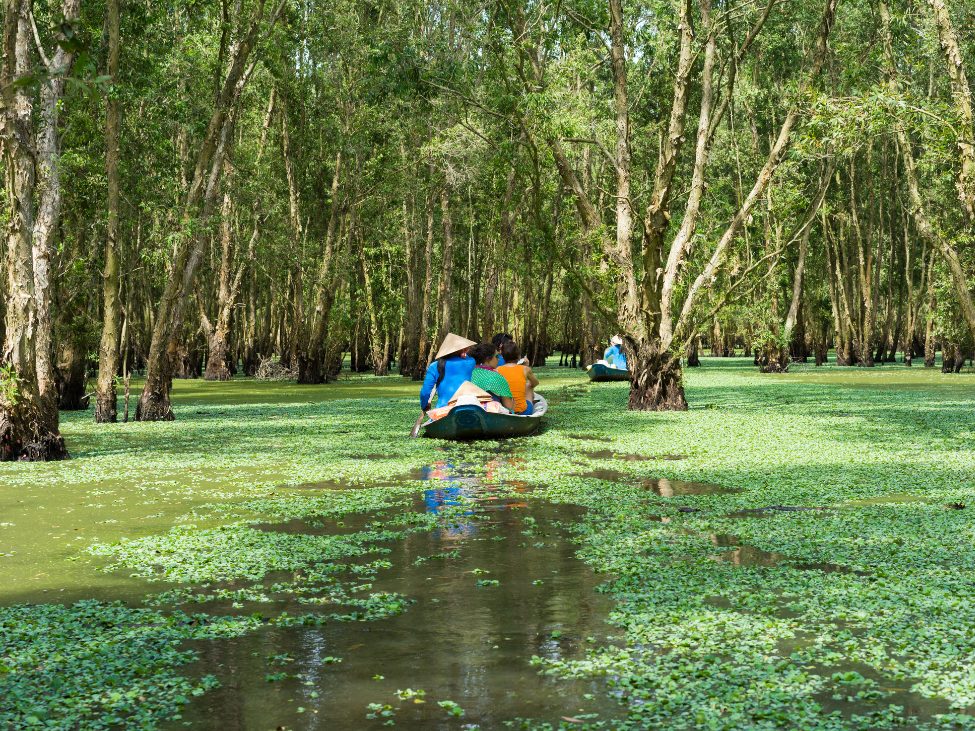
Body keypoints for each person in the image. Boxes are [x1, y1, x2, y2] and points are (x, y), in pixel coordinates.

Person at [419, 333, 477, 411]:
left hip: (443, 410)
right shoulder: (470, 362)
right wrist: (463, 353)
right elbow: (467, 357)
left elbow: (425, 392)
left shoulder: (434, 366)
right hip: (466, 408)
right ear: (463, 350)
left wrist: (424, 405)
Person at [469, 342, 517, 412]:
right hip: (492, 415)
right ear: (488, 359)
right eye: (497, 356)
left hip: (472, 411)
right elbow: (509, 406)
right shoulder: (497, 377)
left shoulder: (469, 373)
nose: (499, 359)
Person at [497, 341, 539, 415]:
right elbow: (536, 383)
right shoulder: (525, 369)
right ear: (518, 356)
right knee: (529, 385)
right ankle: (530, 410)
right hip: (523, 412)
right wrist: (526, 366)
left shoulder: (497, 370)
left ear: (503, 356)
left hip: (506, 411)